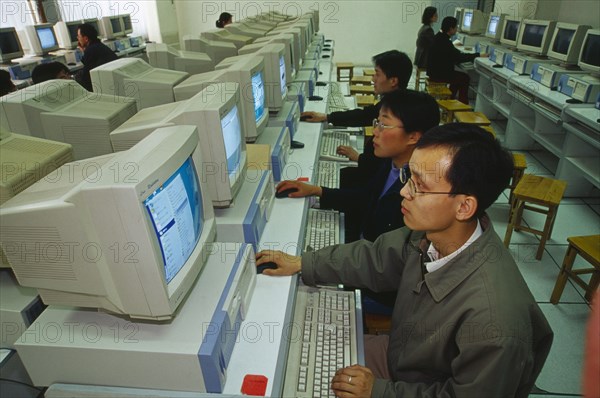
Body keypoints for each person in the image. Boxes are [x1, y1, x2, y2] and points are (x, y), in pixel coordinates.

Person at [257, 123, 554, 396]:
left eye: (419, 186)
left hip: (417, 385)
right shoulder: (431, 235)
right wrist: (304, 263)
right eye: (408, 177)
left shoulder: (494, 321)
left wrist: (380, 392)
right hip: (404, 356)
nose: (403, 191)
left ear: (464, 206)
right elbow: (373, 258)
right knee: (296, 352)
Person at [276, 90, 439, 243]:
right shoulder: (392, 164)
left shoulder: (417, 193)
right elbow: (367, 197)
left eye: (384, 125)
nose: (375, 131)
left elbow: (385, 259)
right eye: (377, 123)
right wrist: (316, 191)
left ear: (413, 137)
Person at [427, 16, 486, 104]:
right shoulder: (445, 41)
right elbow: (459, 57)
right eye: (456, 27)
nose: (457, 29)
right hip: (438, 74)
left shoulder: (439, 37)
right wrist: (478, 54)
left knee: (458, 77)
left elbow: (454, 55)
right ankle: (462, 104)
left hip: (433, 72)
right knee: (464, 78)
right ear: (451, 29)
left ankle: (450, 100)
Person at [75, 23, 117, 91]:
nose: (78, 39)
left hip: (104, 86)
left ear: (86, 39)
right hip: (112, 81)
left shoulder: (91, 50)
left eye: (79, 36)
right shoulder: (99, 45)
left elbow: (86, 78)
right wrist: (84, 52)